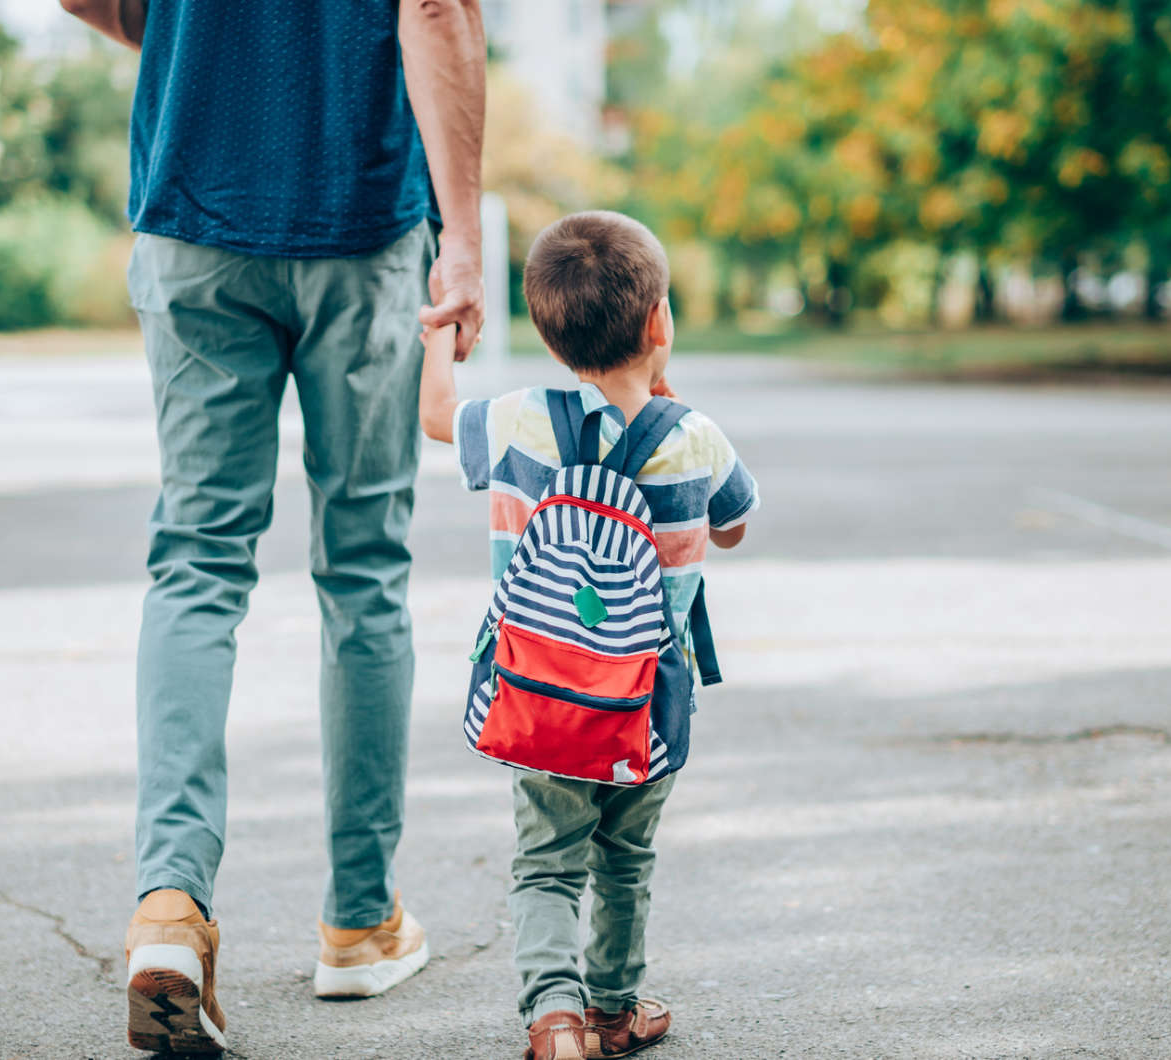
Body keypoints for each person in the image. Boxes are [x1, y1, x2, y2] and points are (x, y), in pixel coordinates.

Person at [56, 0, 487, 1052]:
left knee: (197, 562)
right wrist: (465, 235)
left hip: (194, 207)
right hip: (361, 218)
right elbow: (432, 9)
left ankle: (169, 908)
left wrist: (199, 42)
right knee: (365, 569)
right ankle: (357, 920)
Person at [417, 211, 759, 1060]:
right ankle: (613, 1009)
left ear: (547, 330)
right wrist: (672, 414)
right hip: (645, 706)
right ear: (659, 323)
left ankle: (554, 1018)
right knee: (625, 858)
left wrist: (439, 333)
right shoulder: (696, 439)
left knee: (545, 862)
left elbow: (433, 420)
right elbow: (734, 529)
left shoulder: (517, 420)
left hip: (536, 695)